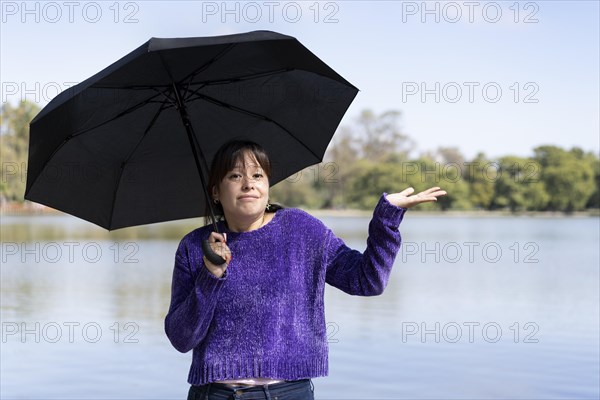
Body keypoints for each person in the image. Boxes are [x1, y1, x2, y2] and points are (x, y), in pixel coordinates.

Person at [165, 140, 446, 400]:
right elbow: (182, 338)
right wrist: (210, 275)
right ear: (216, 190)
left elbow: (367, 280)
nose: (248, 184)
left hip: (289, 393)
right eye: (235, 176)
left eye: (257, 175)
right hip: (217, 394)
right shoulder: (194, 246)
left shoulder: (300, 230)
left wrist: (386, 220)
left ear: (268, 185)